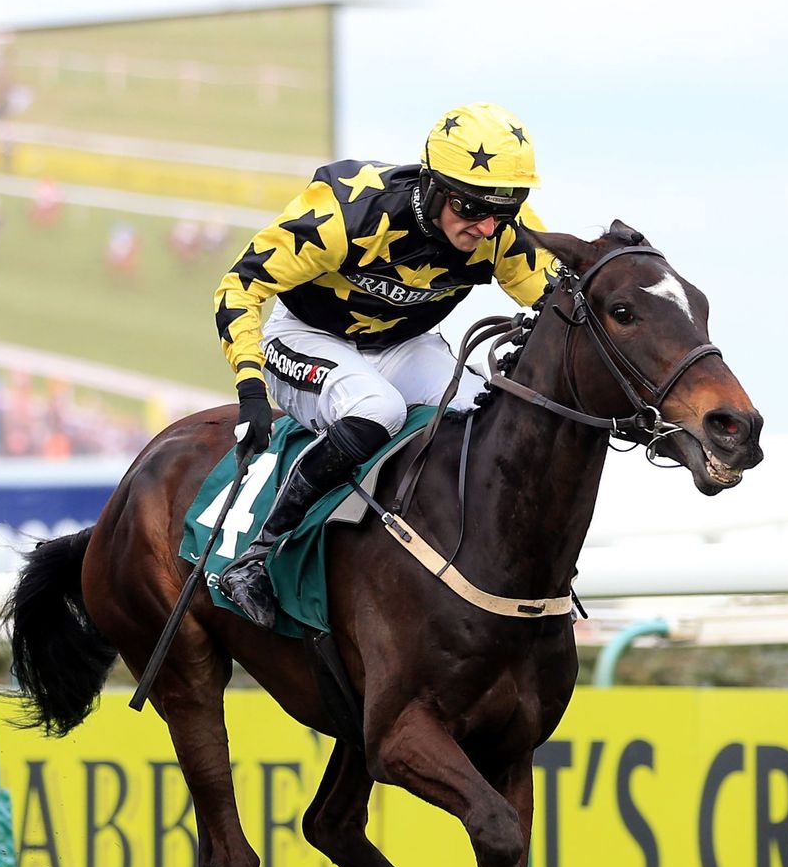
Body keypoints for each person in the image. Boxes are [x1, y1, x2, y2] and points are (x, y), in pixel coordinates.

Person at [211, 102, 559, 628]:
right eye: (472, 209)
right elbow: (240, 285)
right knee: (379, 408)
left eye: (504, 211)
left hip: (405, 343)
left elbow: (560, 305)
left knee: (488, 410)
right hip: (307, 334)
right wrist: (251, 390)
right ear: (436, 187)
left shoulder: (500, 230)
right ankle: (261, 553)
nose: (488, 228)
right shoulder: (344, 212)